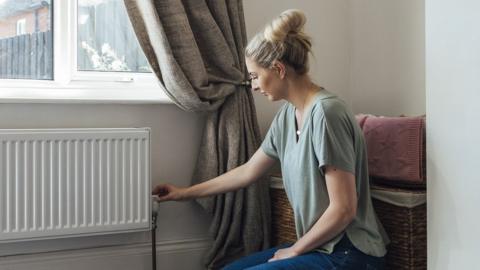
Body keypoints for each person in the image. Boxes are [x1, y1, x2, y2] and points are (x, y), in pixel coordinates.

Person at [152, 9, 389, 270]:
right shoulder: (288, 115)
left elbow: (344, 209)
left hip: (349, 252)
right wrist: (183, 193)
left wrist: (294, 250)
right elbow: (248, 171)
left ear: (278, 69)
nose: (252, 85)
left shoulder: (326, 113)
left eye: (254, 76)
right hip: (319, 246)